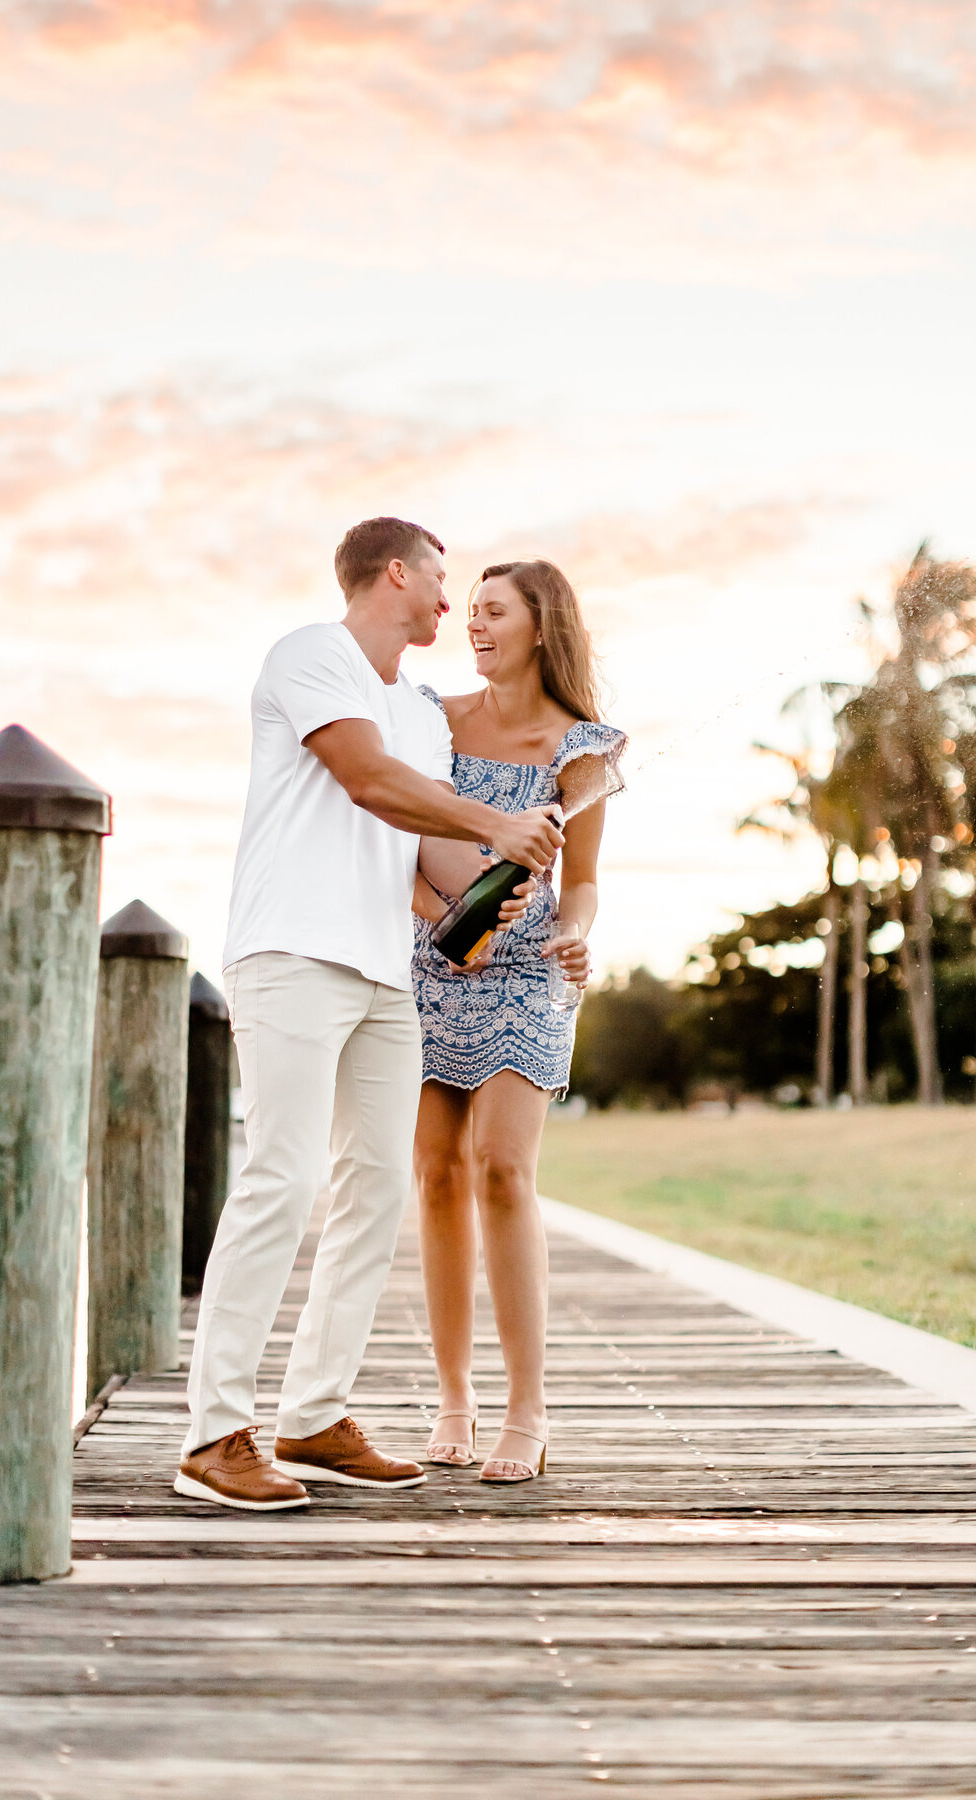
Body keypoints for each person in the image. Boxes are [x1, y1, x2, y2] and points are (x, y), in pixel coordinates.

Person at [176, 519, 563, 1511]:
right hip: (292, 953)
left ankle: (312, 1414)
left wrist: (495, 876)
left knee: (378, 1187)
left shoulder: (421, 714)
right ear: (397, 571)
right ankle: (217, 1434)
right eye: (441, 579)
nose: (449, 601)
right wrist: (494, 824)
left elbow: (427, 849)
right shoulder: (314, 656)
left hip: (383, 975)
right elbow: (364, 778)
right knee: (282, 1174)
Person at [411, 560, 626, 1483]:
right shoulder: (431, 720)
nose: (475, 623)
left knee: (502, 1168)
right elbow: (399, 846)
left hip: (533, 975)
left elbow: (579, 884)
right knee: (434, 1173)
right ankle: (452, 1398)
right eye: (472, 611)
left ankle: (525, 1410)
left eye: (495, 610)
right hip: (432, 962)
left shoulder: (582, 747)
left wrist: (575, 942)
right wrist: (447, 926)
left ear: (542, 624)